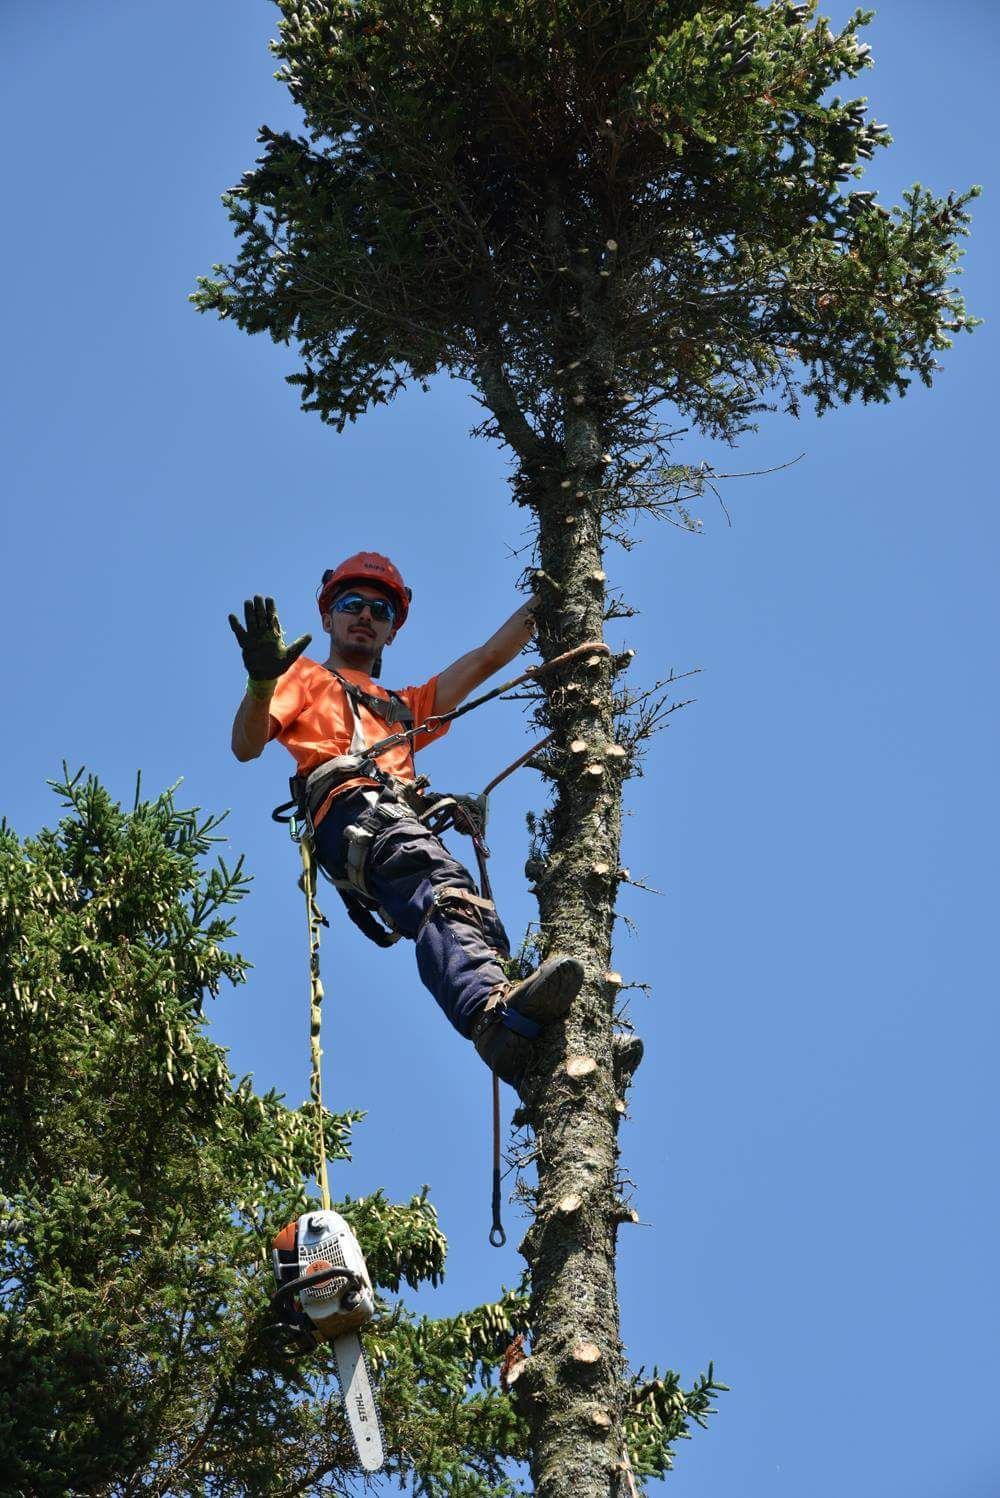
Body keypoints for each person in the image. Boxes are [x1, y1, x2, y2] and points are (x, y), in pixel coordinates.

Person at [228, 551, 583, 1090]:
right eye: (352, 604)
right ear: (327, 617)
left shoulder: (403, 705)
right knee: (439, 889)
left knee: (468, 909)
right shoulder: (298, 677)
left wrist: (550, 597)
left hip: (392, 821)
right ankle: (488, 1014)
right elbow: (245, 745)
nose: (366, 616)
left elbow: (488, 658)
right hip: (354, 813)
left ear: (392, 631)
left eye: (381, 610)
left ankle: (541, 1045)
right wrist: (260, 683)